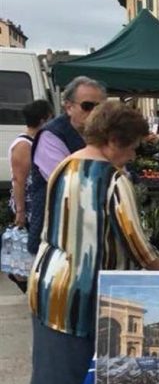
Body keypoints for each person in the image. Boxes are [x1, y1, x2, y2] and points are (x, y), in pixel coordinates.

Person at [17, 101, 159, 384]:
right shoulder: (114, 179)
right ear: (115, 140)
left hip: (49, 282)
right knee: (93, 380)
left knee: (49, 367)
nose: (134, 154)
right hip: (88, 293)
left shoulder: (64, 167)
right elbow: (139, 245)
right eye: (133, 145)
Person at [28, 76, 107, 254]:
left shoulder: (103, 135)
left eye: (99, 107)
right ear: (69, 107)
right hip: (56, 235)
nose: (94, 112)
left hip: (87, 234)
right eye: (87, 106)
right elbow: (70, 184)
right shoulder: (51, 136)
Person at [8, 100, 53, 228]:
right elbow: (19, 180)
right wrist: (20, 211)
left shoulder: (36, 141)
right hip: (28, 206)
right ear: (43, 120)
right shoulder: (24, 145)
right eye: (51, 118)